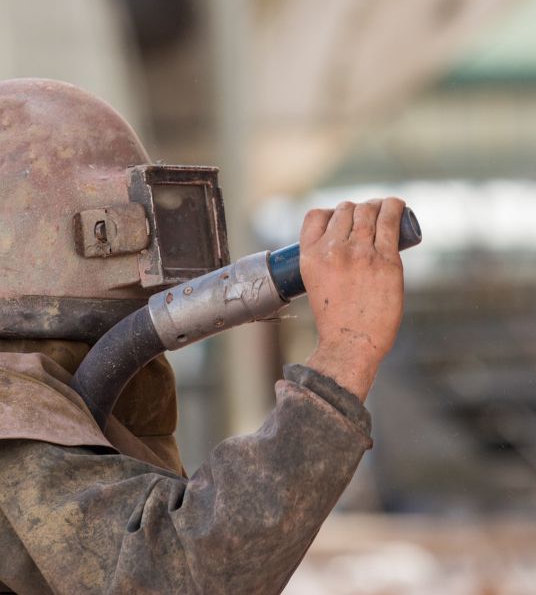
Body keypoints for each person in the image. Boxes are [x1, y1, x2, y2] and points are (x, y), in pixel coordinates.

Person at [0, 78, 405, 594]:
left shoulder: (68, 385)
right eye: (120, 230)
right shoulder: (12, 412)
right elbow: (177, 574)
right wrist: (348, 350)